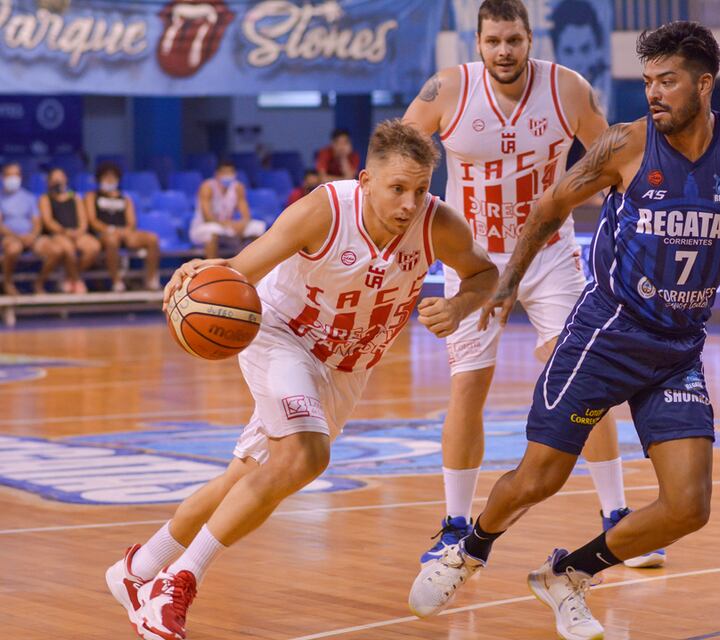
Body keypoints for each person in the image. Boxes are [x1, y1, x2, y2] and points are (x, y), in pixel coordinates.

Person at [408, 21, 720, 639]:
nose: (654, 92)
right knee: (540, 478)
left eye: (668, 81)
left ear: (704, 85)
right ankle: (469, 550)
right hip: (605, 336)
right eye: (648, 81)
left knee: (689, 506)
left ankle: (568, 574)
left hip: (678, 348)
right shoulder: (626, 144)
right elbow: (550, 205)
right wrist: (506, 285)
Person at [104, 120, 497, 640]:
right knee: (306, 456)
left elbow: (485, 274)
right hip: (282, 337)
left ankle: (137, 570)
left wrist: (460, 305)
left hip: (348, 367)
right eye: (398, 188)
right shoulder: (325, 210)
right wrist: (202, 274)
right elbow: (241, 269)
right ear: (365, 181)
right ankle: (175, 583)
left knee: (247, 479)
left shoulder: (437, 223)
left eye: (420, 189)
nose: (409, 203)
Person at [403, 0, 662, 569]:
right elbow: (398, 159)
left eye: (513, 40)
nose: (504, 51)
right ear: (477, 43)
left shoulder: (567, 89)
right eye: (493, 41)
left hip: (549, 255)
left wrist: (641, 227)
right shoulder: (447, 90)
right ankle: (454, 525)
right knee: (468, 386)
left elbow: (616, 163)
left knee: (586, 382)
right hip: (474, 259)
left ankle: (616, 515)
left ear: (530, 39)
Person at [85, 163, 162, 291]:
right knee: (112, 240)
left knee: (152, 238)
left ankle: (151, 280)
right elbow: (92, 220)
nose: (110, 180)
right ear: (99, 179)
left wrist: (125, 231)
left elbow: (131, 222)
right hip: (103, 234)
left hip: (124, 233)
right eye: (106, 177)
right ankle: (117, 282)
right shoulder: (92, 196)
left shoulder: (125, 199)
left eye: (113, 177)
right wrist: (110, 230)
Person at [0, 162, 62, 295]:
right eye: (9, 175)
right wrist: (18, 237)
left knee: (55, 250)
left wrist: (32, 235)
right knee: (13, 249)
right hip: (9, 238)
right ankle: (8, 283)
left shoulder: (29, 197)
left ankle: (39, 283)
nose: (13, 178)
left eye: (16, 174)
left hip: (31, 238)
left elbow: (37, 222)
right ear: (2, 177)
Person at [38, 167, 101, 294]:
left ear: (66, 180)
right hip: (57, 234)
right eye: (54, 179)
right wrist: (64, 232)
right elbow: (48, 221)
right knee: (68, 247)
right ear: (49, 182)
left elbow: (83, 220)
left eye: (60, 178)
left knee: (93, 247)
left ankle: (69, 277)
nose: (58, 181)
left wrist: (79, 231)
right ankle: (77, 280)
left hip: (77, 233)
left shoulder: (75, 197)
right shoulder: (45, 198)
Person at [190, 161, 266, 260]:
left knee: (257, 227)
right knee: (212, 231)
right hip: (204, 227)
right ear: (217, 174)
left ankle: (258, 265)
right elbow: (208, 218)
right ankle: (212, 266)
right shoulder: (207, 187)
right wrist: (228, 224)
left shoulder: (238, 187)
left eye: (230, 172)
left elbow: (246, 216)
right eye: (225, 173)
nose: (228, 175)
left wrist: (242, 224)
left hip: (226, 228)